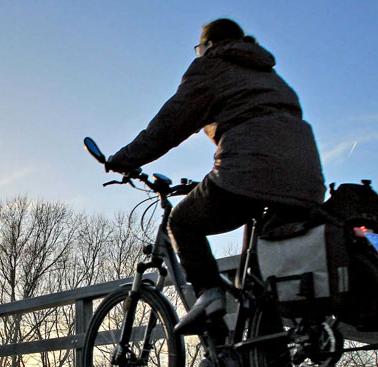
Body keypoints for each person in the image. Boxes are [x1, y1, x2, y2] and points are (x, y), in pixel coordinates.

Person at [106, 18, 325, 335]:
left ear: (208, 45)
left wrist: (125, 159)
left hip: (249, 170)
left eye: (199, 48)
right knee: (259, 287)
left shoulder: (211, 66)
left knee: (181, 222)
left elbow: (170, 124)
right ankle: (268, 365)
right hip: (306, 181)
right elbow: (268, 133)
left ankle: (209, 294)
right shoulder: (270, 76)